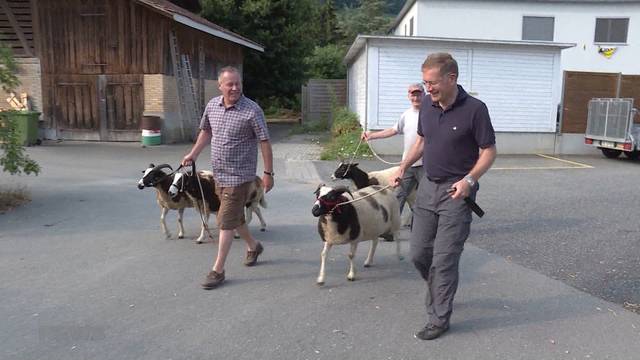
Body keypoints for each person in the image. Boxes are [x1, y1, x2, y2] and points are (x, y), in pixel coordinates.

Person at [391, 53, 497, 340]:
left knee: (444, 259)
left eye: (432, 82)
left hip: (456, 192)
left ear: (452, 78)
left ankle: (438, 318)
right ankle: (441, 289)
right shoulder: (427, 104)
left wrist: (469, 180)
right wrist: (402, 166)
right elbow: (422, 142)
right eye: (425, 82)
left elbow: (489, 151)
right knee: (419, 254)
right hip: (427, 186)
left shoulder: (475, 109)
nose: (427, 88)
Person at [181, 66, 274, 290]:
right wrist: (193, 154)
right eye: (229, 84)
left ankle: (218, 270)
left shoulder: (252, 110)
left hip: (240, 177)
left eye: (237, 84)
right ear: (220, 86)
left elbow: (264, 142)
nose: (234, 88)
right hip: (219, 174)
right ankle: (253, 246)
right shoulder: (212, 105)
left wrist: (268, 173)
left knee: (224, 221)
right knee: (232, 217)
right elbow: (206, 131)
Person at [361, 83, 425, 217]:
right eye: (413, 94)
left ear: (424, 94)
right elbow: (393, 130)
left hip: (426, 165)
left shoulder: (430, 113)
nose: (416, 97)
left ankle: (427, 226)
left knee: (427, 197)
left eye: (419, 94)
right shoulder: (406, 115)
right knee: (398, 195)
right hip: (407, 165)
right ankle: (390, 228)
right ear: (408, 96)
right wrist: (372, 135)